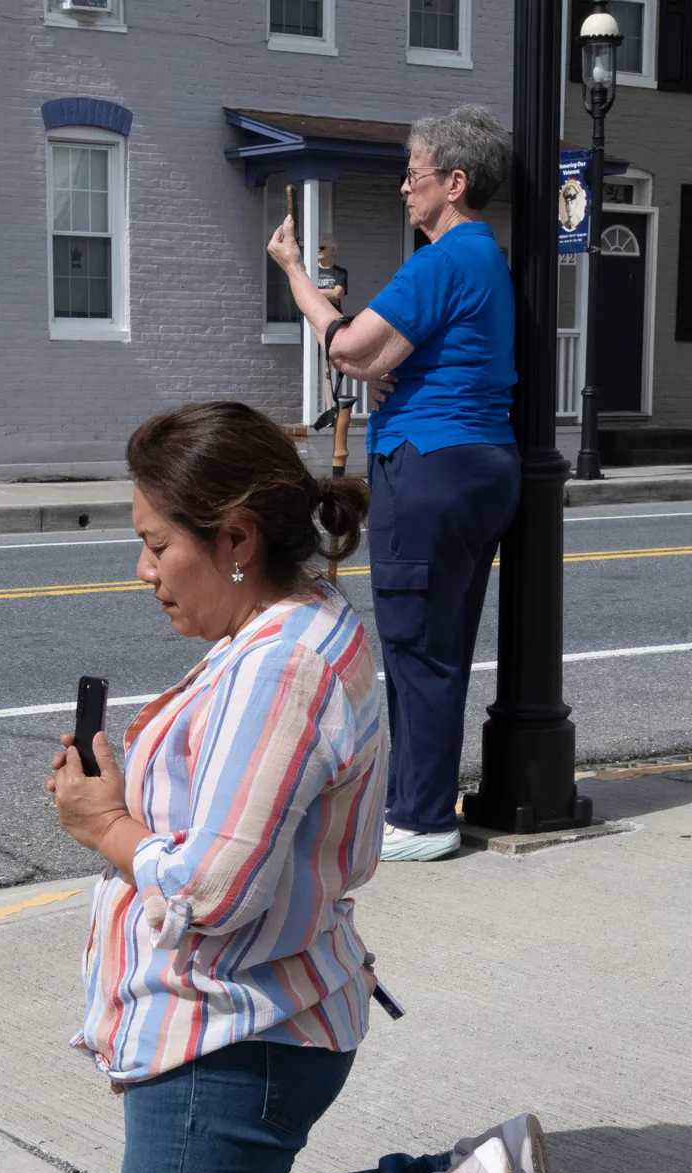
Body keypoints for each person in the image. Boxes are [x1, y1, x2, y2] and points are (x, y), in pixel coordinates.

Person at [47, 401, 556, 1173]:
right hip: (260, 1012)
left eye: (156, 545)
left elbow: (215, 889)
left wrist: (104, 826)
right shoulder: (298, 629)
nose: (142, 570)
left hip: (231, 1034)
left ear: (235, 538)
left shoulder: (279, 669)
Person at [270, 105, 519, 864]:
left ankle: (420, 815)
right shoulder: (484, 260)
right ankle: (421, 803)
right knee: (437, 643)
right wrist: (391, 376)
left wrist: (293, 276)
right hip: (476, 462)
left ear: (455, 181)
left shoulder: (445, 259)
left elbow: (350, 349)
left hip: (431, 465)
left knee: (417, 649)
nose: (404, 190)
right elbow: (410, 358)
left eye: (413, 176)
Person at [313, 238, 348, 308]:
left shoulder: (340, 272)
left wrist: (313, 292)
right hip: (315, 311)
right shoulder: (311, 270)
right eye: (316, 247)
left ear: (332, 250)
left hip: (333, 312)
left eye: (322, 247)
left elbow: (337, 294)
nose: (318, 250)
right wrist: (329, 294)